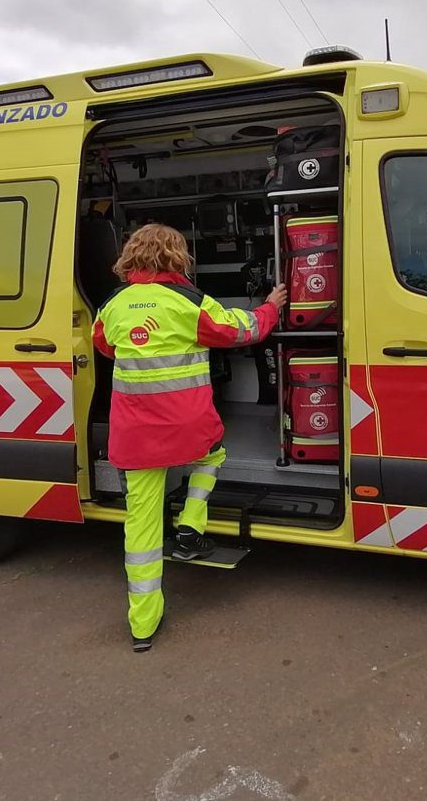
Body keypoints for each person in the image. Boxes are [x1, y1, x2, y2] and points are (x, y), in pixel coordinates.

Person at [92, 224, 286, 651]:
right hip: (188, 430)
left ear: (132, 256)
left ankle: (142, 626)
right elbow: (242, 330)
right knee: (212, 457)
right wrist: (271, 306)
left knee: (140, 530)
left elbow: (103, 347)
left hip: (136, 438)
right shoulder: (189, 301)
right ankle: (190, 528)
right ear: (177, 256)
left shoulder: (113, 305)